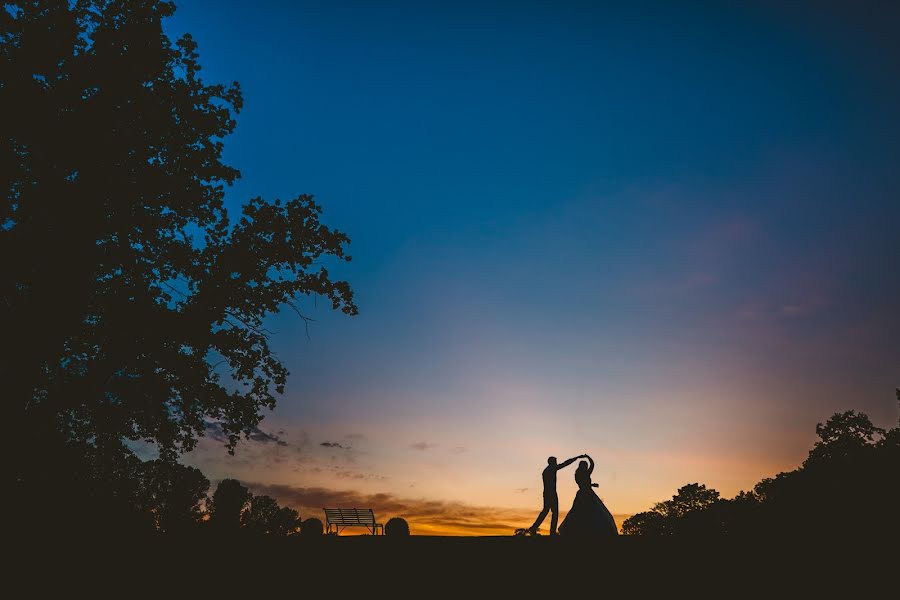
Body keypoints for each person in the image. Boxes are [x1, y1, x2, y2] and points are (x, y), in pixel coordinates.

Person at [558, 454, 618, 537]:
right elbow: (592, 466)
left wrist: (592, 485)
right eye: (585, 465)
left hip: (584, 492)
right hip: (586, 494)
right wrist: (588, 457)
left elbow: (583, 483)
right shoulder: (584, 474)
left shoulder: (578, 474)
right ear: (583, 466)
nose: (586, 467)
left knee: (579, 512)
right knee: (592, 512)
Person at [526, 455, 583, 536]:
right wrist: (576, 458)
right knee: (554, 513)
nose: (556, 463)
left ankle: (534, 528)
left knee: (546, 511)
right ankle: (551, 531)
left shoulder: (547, 470)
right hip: (551, 493)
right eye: (555, 461)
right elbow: (564, 464)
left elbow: (563, 464)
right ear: (552, 462)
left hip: (547, 493)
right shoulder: (551, 469)